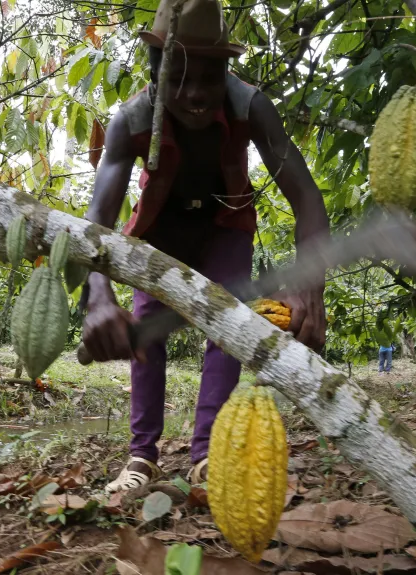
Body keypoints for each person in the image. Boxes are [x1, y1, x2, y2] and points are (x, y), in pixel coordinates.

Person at [80, 0, 330, 492]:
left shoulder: (249, 105)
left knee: (229, 329)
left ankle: (207, 456)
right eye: (177, 79)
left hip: (225, 225)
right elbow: (98, 220)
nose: (195, 95)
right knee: (146, 335)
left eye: (209, 79)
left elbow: (306, 198)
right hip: (159, 231)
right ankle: (141, 457)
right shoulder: (130, 119)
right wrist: (98, 295)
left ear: (226, 72)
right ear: (155, 74)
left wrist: (309, 287)